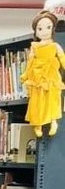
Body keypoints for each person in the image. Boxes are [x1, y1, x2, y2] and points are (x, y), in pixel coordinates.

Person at [23, 8, 65, 137]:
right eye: (40, 29)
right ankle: (38, 124)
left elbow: (63, 58)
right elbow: (30, 62)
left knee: (52, 99)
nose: (44, 31)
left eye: (48, 27)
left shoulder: (55, 46)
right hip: (38, 77)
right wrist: (26, 77)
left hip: (51, 75)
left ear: (52, 29)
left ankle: (53, 122)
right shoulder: (35, 47)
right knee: (37, 101)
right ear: (36, 31)